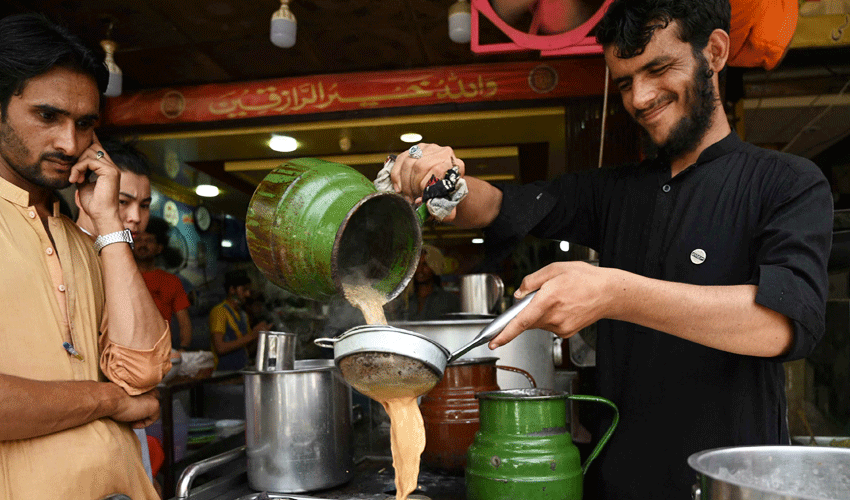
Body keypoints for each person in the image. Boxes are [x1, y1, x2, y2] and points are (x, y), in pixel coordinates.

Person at [388, 1, 832, 498]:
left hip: (731, 486)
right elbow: (498, 207)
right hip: (616, 485)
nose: (640, 98)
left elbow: (785, 323)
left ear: (715, 52)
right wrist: (443, 179)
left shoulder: (785, 183)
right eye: (624, 82)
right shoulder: (615, 192)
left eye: (658, 69)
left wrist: (614, 294)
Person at [0, 13, 170, 500]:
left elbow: (143, 373)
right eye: (47, 116)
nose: (69, 144)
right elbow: (126, 395)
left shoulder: (81, 237)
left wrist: (109, 225)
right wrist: (107, 399)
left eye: (84, 124)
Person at [135, 216, 194, 351]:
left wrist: (183, 349)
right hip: (126, 351)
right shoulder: (120, 278)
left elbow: (184, 322)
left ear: (159, 248)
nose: (143, 244)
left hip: (161, 352)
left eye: (149, 240)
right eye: (138, 240)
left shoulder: (171, 281)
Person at [208, 270, 271, 371]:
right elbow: (220, 348)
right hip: (223, 375)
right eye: (244, 290)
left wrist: (261, 337)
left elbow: (245, 351)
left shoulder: (243, 315)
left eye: (248, 290)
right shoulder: (219, 312)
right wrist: (253, 335)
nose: (247, 294)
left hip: (240, 373)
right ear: (232, 289)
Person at [402, 244, 460, 321]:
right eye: (416, 265)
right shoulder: (404, 300)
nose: (420, 269)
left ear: (435, 267)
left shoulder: (449, 301)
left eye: (425, 264)